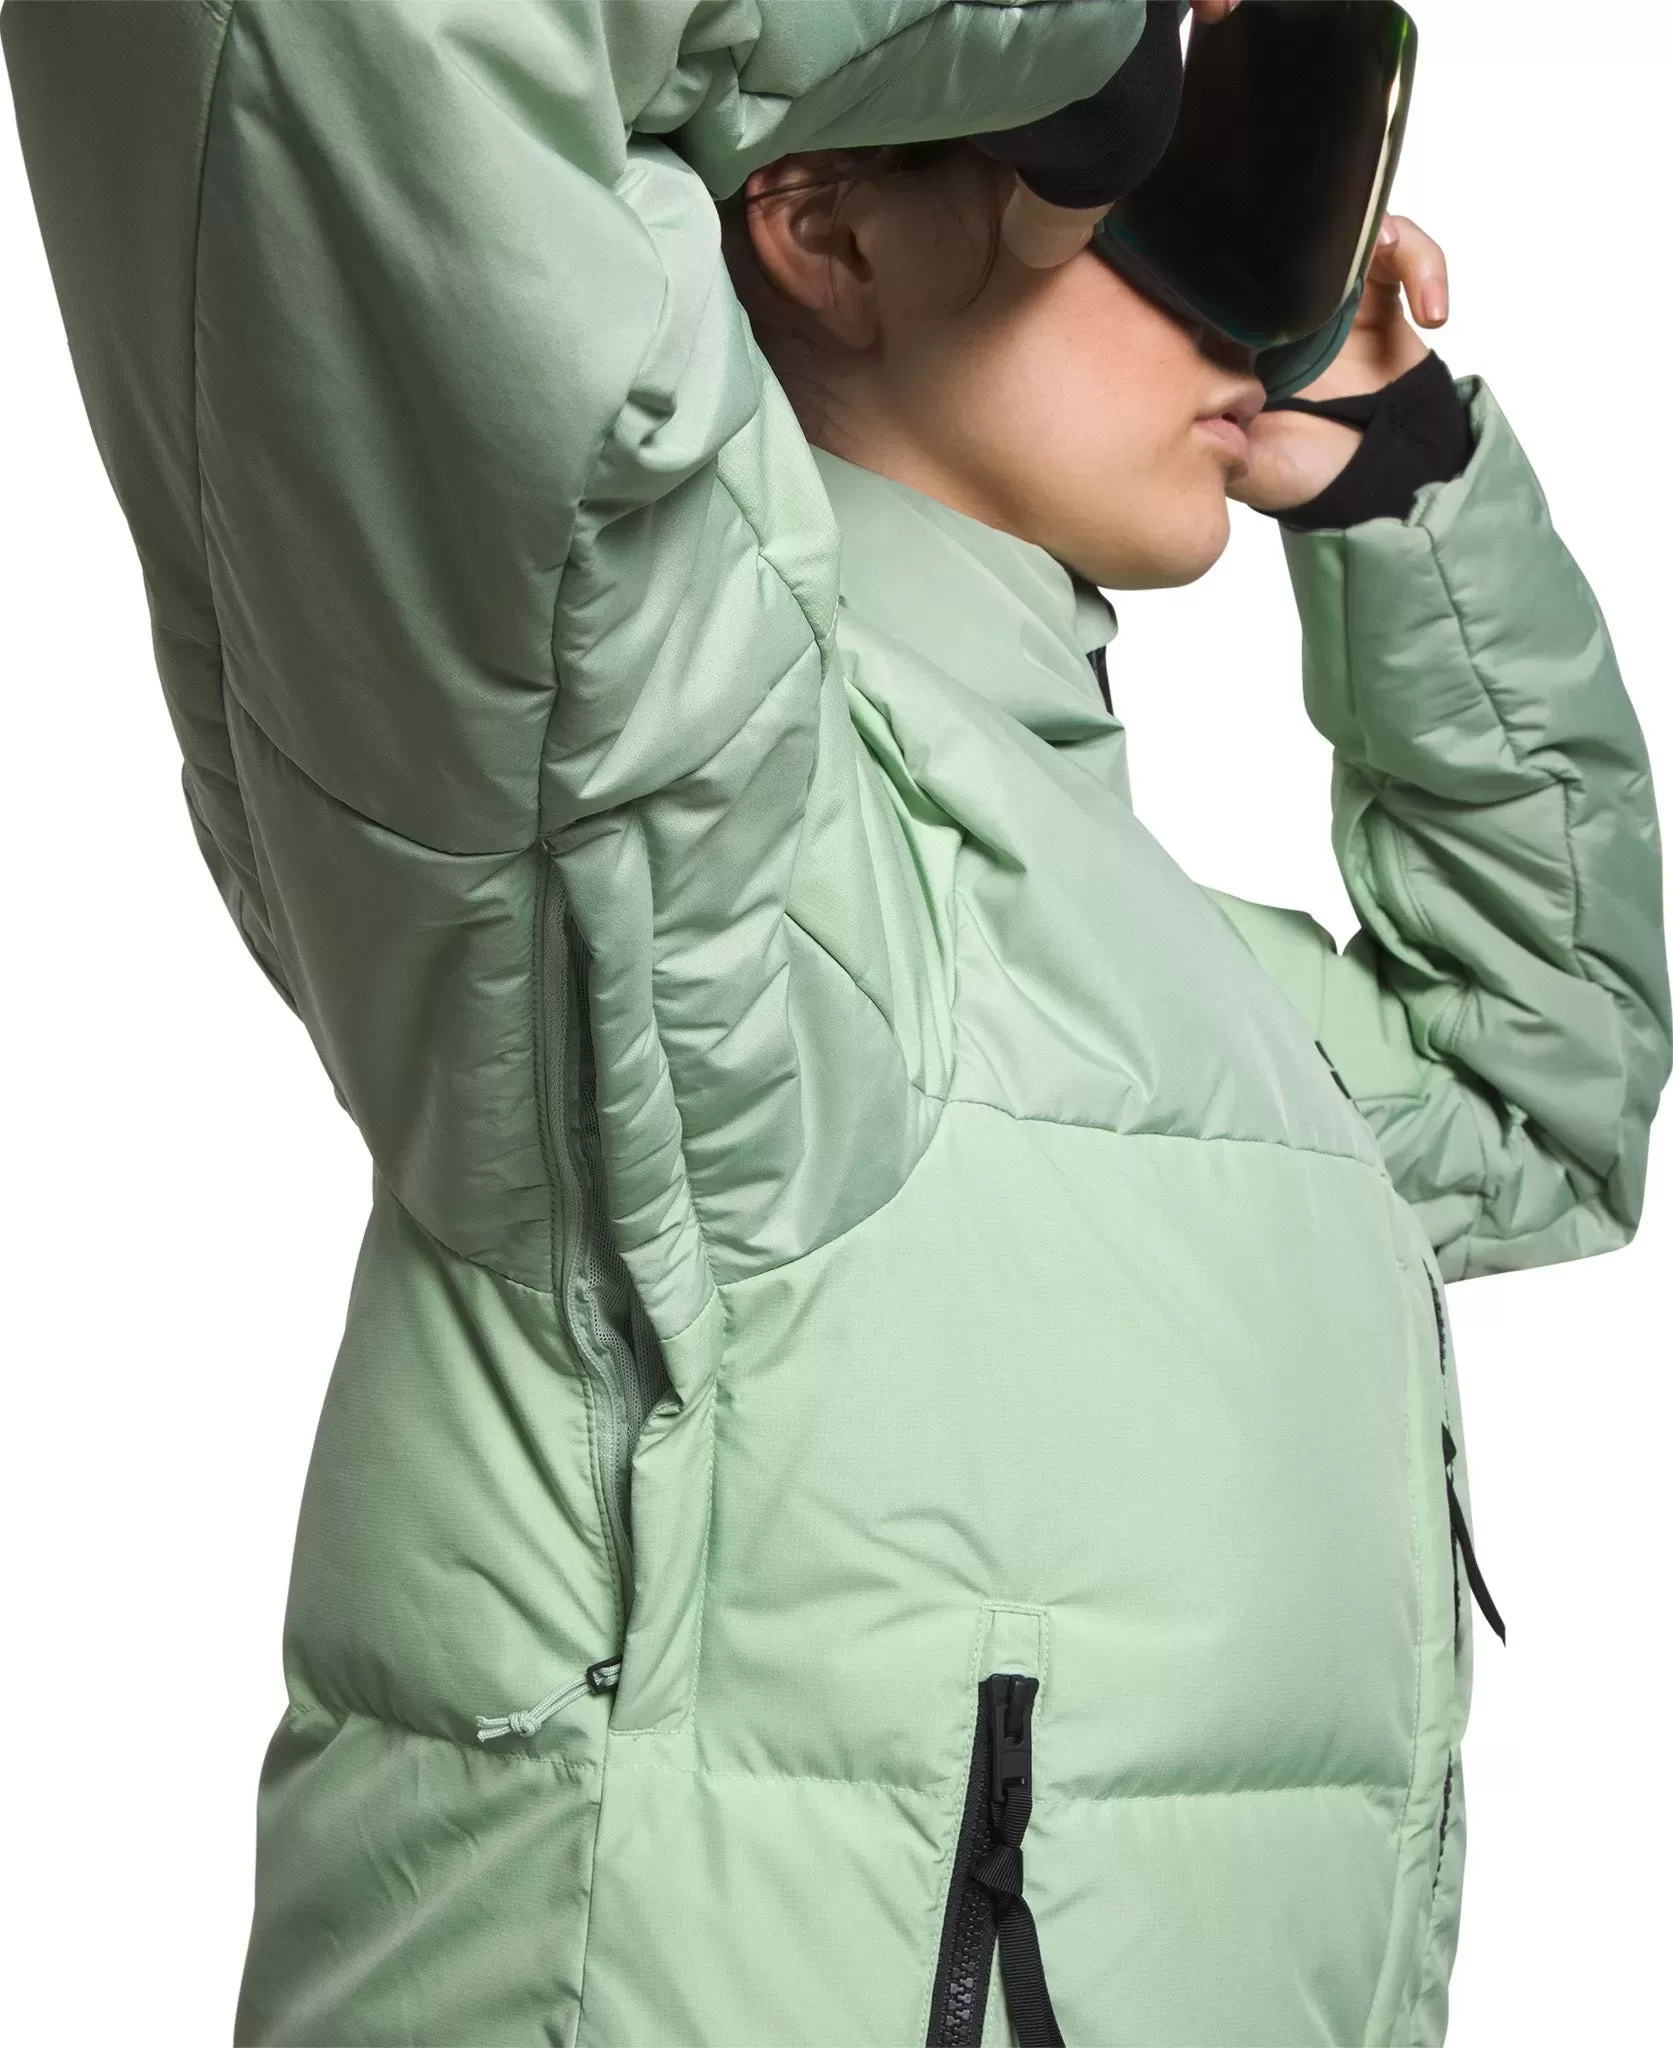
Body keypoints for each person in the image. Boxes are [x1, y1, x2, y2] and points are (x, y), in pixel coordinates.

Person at [2, 2, 1665, 2043]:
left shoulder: (1147, 968)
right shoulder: (697, 842)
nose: (1266, 301)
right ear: (823, 229)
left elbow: (1536, 1080)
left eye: (1289, 202)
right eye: (1171, 176)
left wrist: (1404, 479)